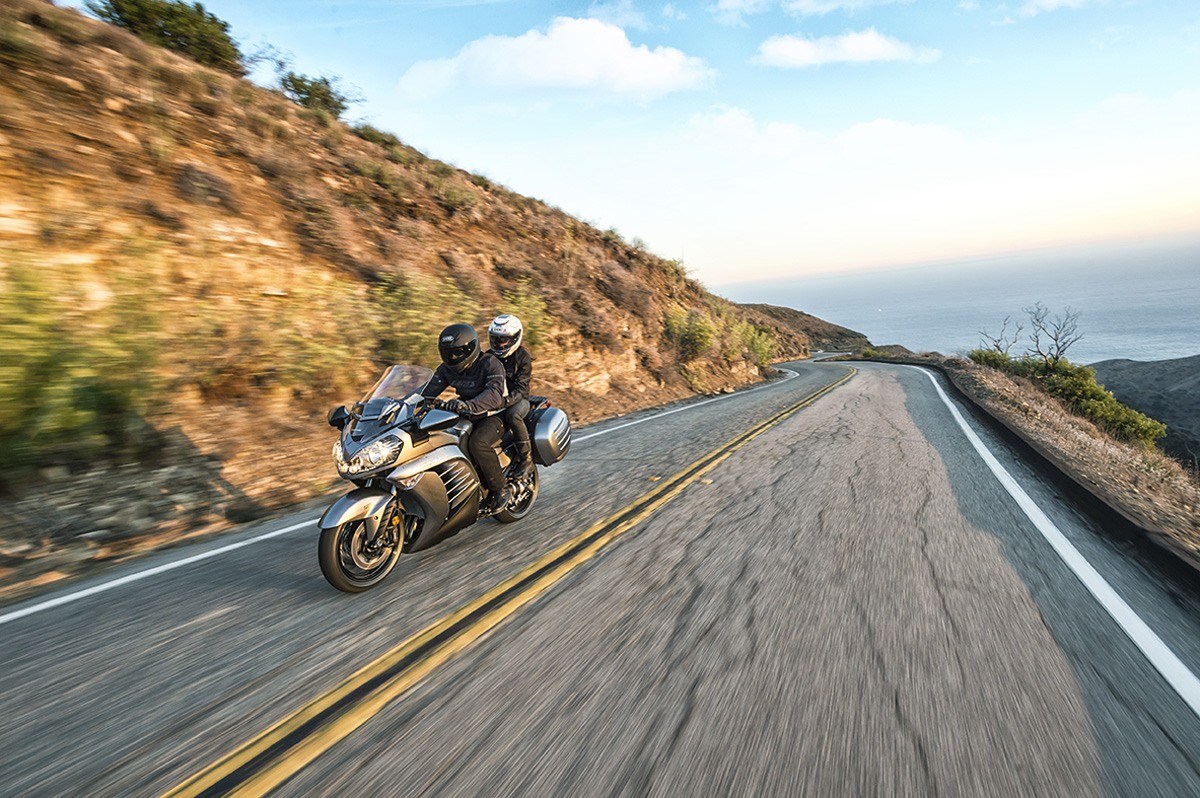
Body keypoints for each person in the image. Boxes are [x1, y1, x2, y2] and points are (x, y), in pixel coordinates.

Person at [421, 323, 511, 514]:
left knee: (477, 443)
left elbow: (494, 394)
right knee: (440, 440)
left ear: (471, 348)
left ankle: (501, 489)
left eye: (456, 353)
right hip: (465, 413)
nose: (451, 358)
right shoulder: (446, 369)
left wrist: (468, 406)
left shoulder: (490, 363)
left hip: (493, 415)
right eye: (447, 353)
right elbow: (426, 393)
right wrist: (408, 405)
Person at [488, 314, 534, 479]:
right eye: (495, 339)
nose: (498, 344)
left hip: (519, 401)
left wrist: (505, 402)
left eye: (503, 340)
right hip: (494, 401)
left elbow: (521, 389)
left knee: (513, 415)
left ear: (515, 338)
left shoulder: (523, 358)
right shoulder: (488, 357)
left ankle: (526, 459)